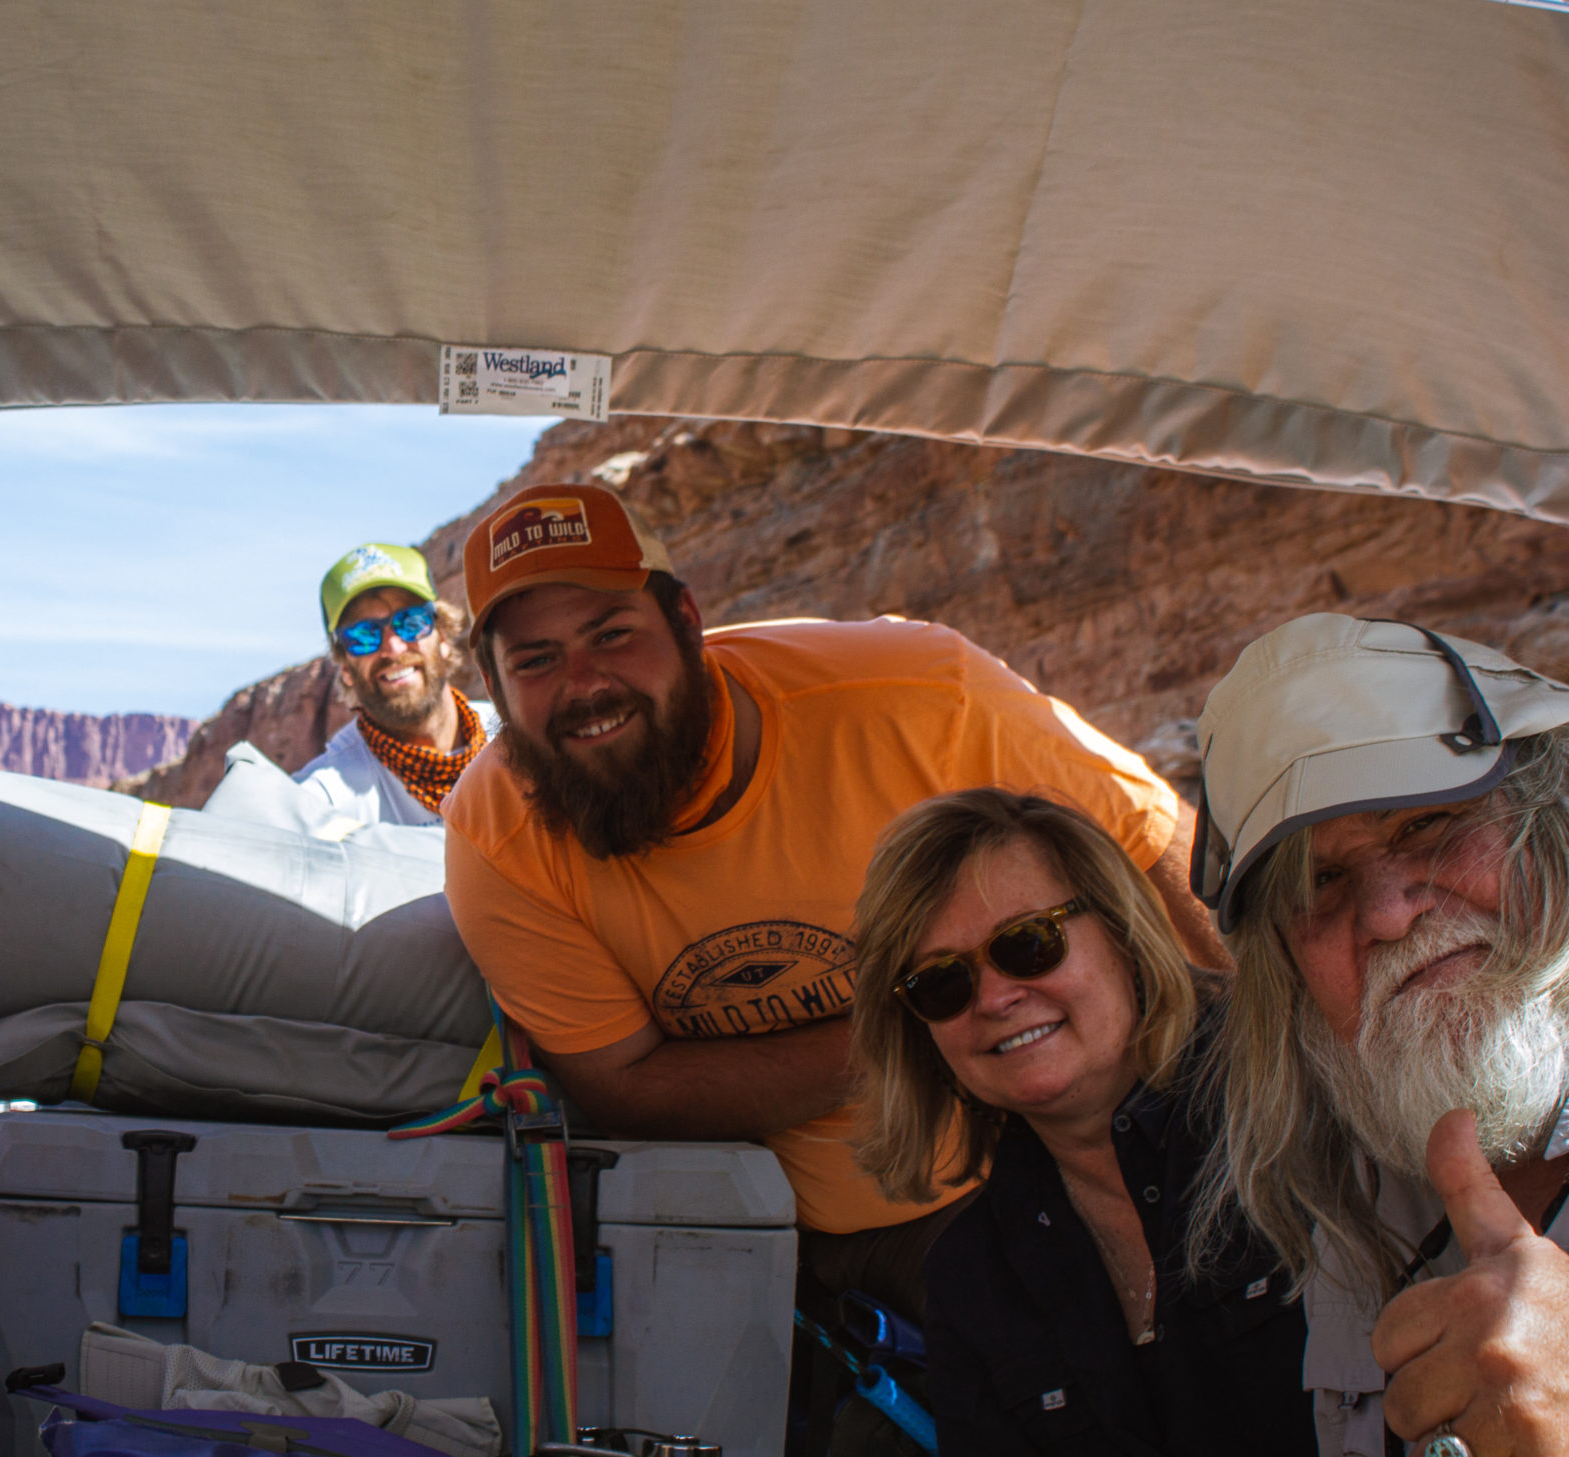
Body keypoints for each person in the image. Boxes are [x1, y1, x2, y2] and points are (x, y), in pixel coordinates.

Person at [441, 481, 1224, 1315]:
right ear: (493, 685)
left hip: (1107, 1140)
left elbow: (1155, 840)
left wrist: (1271, 1066)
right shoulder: (497, 839)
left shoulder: (920, 695)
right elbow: (625, 1083)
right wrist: (916, 1021)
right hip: (858, 1233)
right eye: (535, 659)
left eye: (612, 633)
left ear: (686, 622)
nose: (586, 682)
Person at [850, 788, 1335, 1457]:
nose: (996, 996)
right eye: (942, 983)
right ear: (923, 1034)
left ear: (1121, 931)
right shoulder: (973, 1280)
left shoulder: (1301, 1102)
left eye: (1027, 942)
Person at [1194, 613, 1569, 1457]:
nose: (1392, 913)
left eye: (1434, 825)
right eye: (1319, 886)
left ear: (1552, 826)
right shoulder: (1351, 1189)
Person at [294, 542, 497, 825]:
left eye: (411, 622)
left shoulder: (520, 739)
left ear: (443, 638)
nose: (393, 647)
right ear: (345, 668)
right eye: (363, 635)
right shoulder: (321, 802)